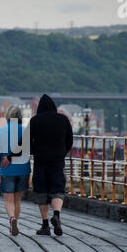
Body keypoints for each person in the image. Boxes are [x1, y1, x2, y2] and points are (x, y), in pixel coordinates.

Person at [28, 94, 73, 236]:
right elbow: (69, 141)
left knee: (41, 192)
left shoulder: (35, 121)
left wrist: (35, 151)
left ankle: (45, 225)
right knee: (58, 190)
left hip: (41, 162)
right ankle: (57, 215)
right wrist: (61, 152)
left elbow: (27, 142)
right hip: (57, 161)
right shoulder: (63, 120)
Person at [0, 105, 31, 236]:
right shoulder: (26, 131)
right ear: (20, 117)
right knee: (17, 200)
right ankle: (15, 222)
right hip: (23, 170)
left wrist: (0, 162)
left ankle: (11, 219)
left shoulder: (0, 131)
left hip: (7, 170)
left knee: (8, 200)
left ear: (7, 116)